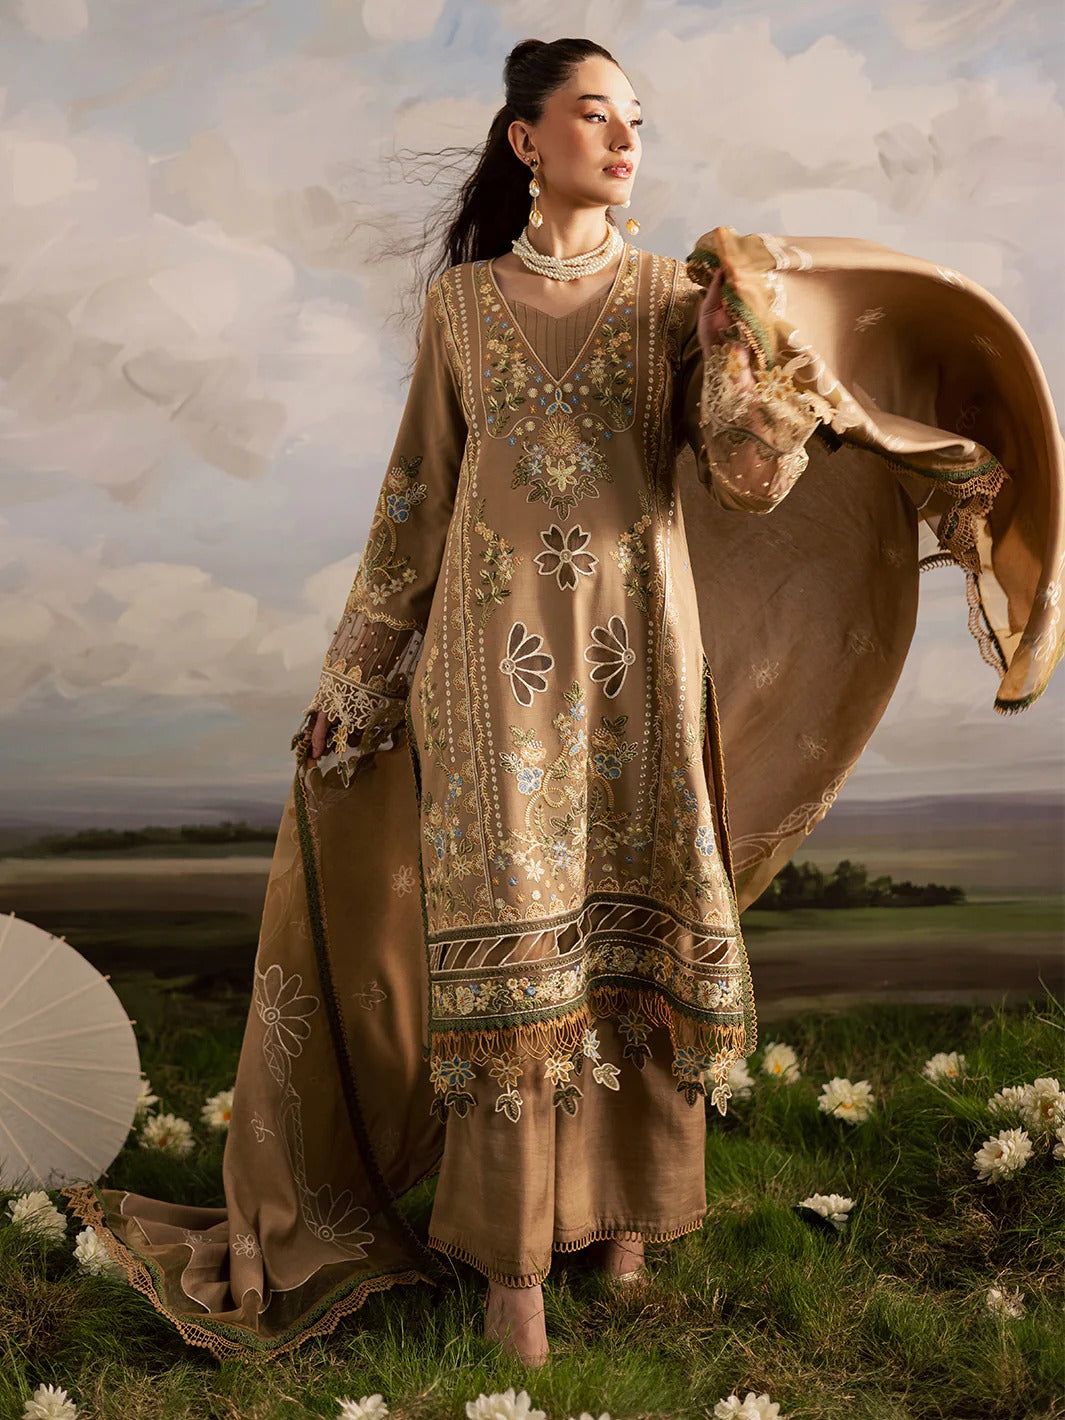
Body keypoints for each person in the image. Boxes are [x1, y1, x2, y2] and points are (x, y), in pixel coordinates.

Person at [61, 36, 1063, 1373]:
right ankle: (512, 1269)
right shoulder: (462, 307)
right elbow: (416, 499)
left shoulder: (674, 298)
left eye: (636, 117)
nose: (625, 137)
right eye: (595, 114)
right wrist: (355, 680)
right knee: (514, 960)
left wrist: (749, 365)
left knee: (633, 933)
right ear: (527, 140)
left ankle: (625, 1230)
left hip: (640, 663)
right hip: (488, 681)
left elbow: (746, 482)